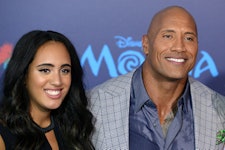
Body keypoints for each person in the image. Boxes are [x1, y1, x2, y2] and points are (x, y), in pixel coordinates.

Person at [87, 5, 225, 150]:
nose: (179, 47)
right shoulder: (95, 104)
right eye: (168, 36)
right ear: (146, 44)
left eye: (189, 38)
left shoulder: (219, 109)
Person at [0, 30, 95, 150]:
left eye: (65, 70)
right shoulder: (3, 134)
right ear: (23, 75)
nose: (57, 81)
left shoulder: (73, 127)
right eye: (45, 70)